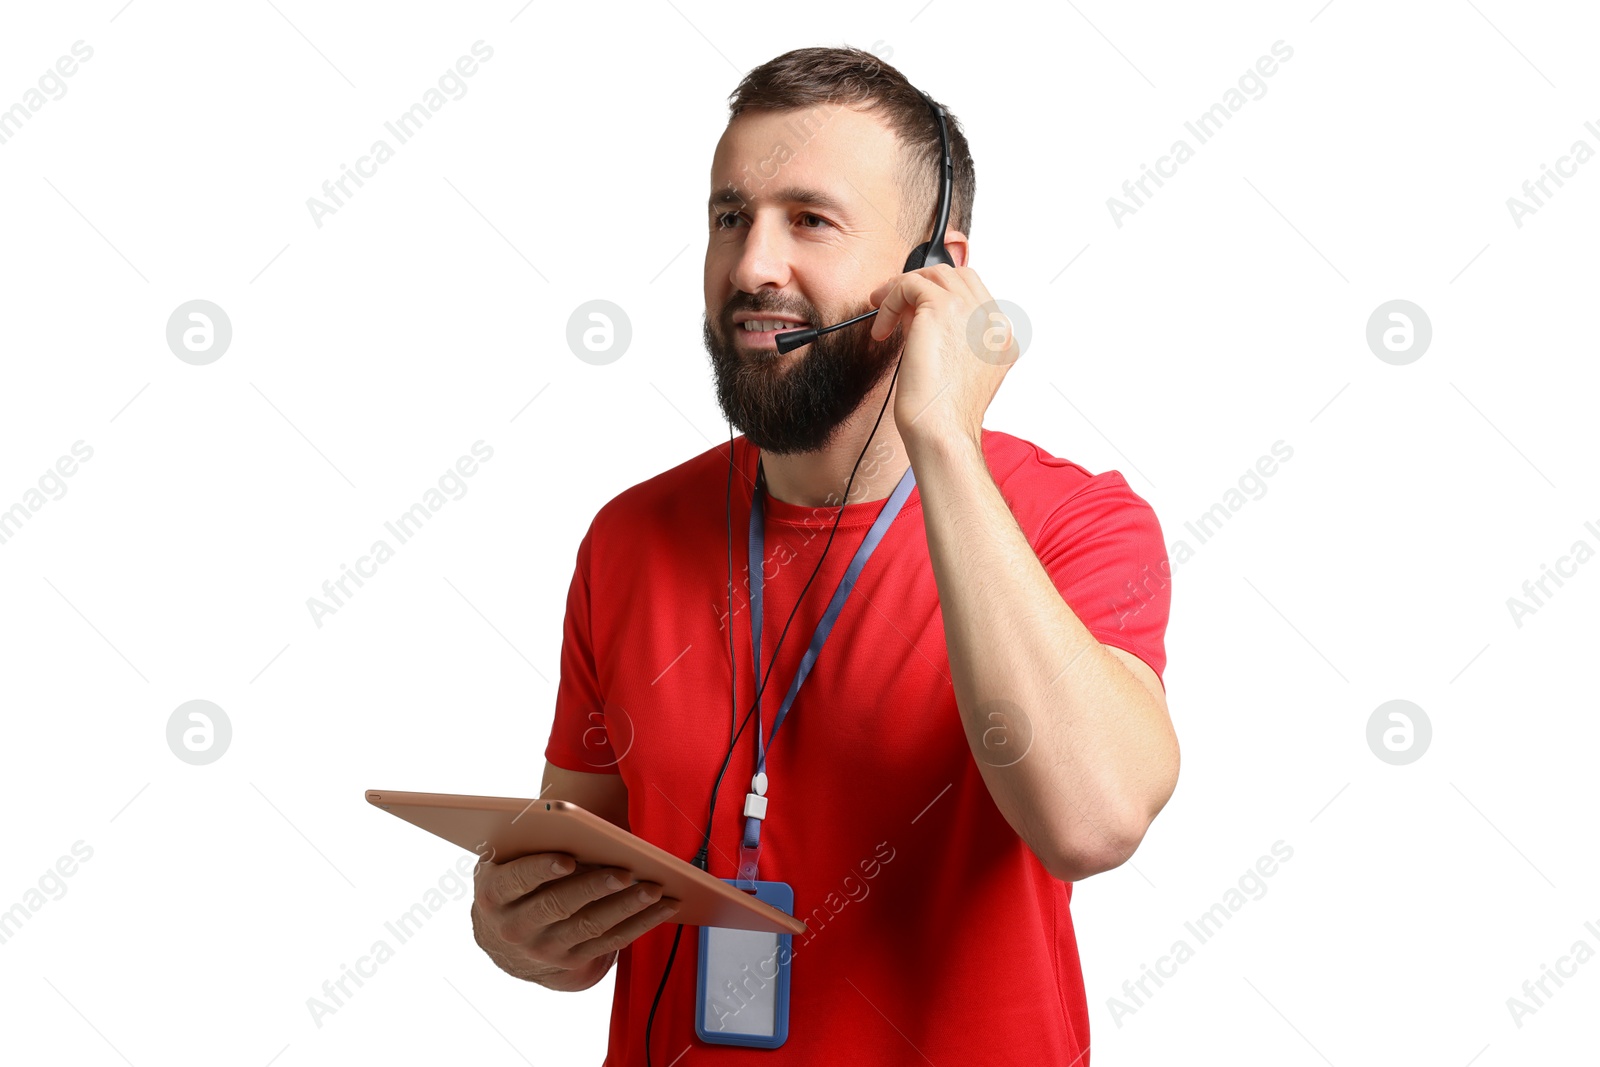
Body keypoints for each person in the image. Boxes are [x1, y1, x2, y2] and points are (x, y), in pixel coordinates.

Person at [472, 45, 1178, 1065]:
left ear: (936, 275)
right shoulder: (627, 537)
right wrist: (518, 929)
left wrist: (942, 433)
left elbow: (1093, 820)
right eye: (730, 217)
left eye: (809, 219)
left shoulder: (1076, 522)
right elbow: (579, 877)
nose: (753, 264)